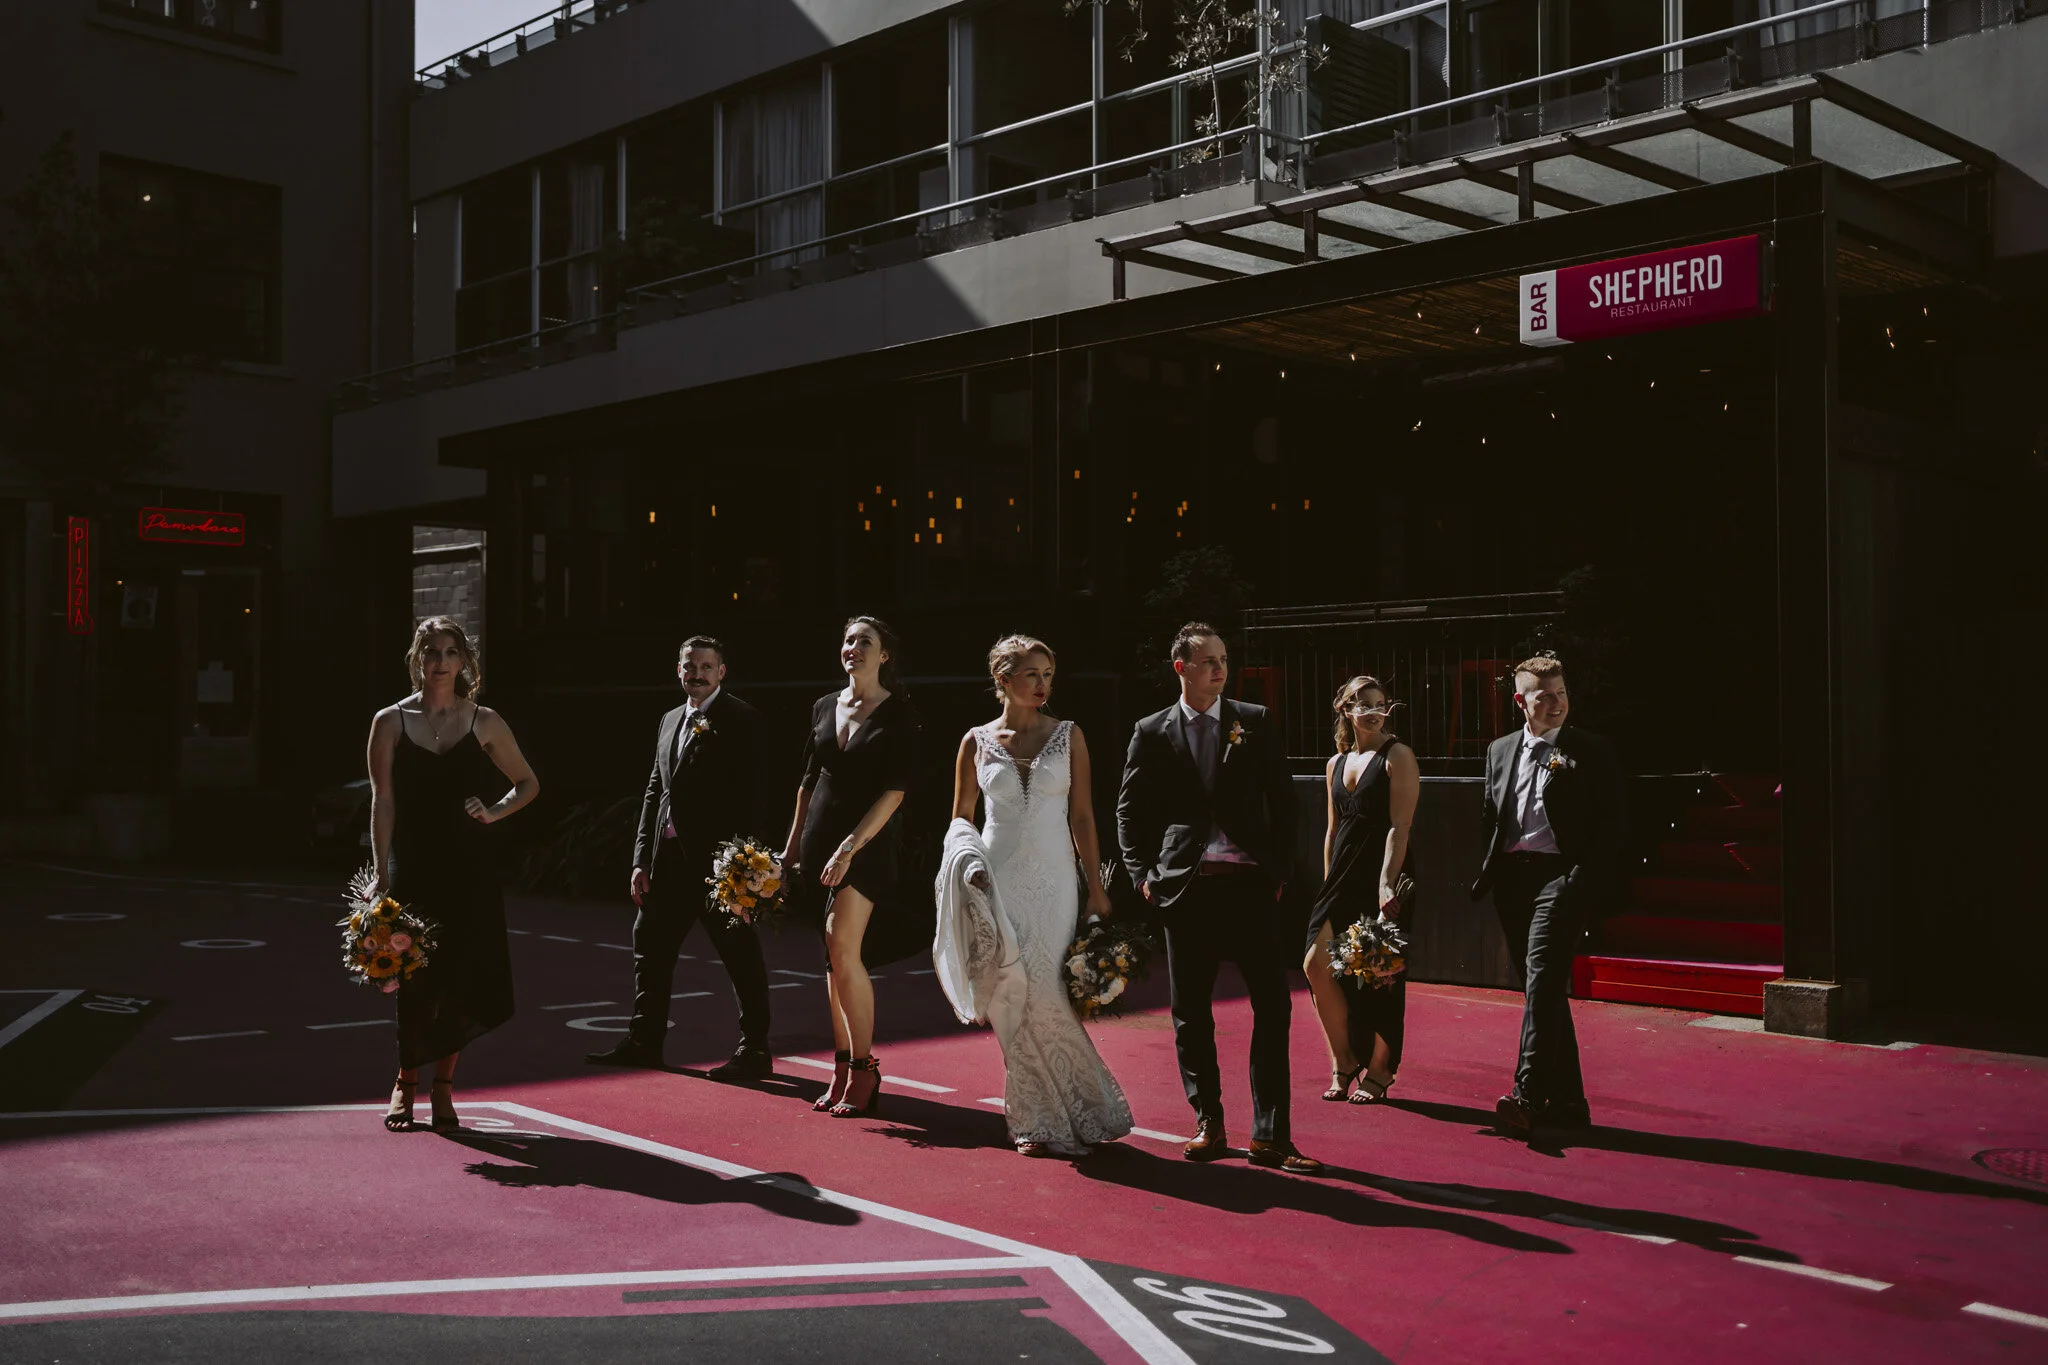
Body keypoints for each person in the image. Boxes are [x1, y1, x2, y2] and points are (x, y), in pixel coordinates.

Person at [1116, 622, 1319, 1174]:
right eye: (1208, 661)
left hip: (1251, 884)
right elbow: (1129, 809)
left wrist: (1280, 868)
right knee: (1190, 1014)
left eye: (1223, 660)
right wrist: (1142, 874)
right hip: (1187, 887)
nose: (1220, 669)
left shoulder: (1253, 721)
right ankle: (1209, 1121)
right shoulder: (1152, 730)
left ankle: (1271, 1135)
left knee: (1274, 1008)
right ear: (1180, 668)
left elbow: (1284, 799)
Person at [937, 635, 1133, 1158]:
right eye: (1032, 674)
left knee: (1047, 990)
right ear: (1003, 679)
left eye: (1048, 674)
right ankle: (1035, 1118)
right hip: (995, 882)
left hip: (1054, 884)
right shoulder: (975, 741)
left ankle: (1087, 1109)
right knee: (1009, 993)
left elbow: (1084, 816)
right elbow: (962, 816)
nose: (1043, 684)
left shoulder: (1070, 736)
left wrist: (1096, 888)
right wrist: (968, 861)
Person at [365, 616, 538, 1133]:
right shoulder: (389, 722)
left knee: (461, 978)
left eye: (448, 652)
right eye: (429, 651)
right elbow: (383, 800)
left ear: (464, 661)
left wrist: (494, 810)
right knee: (414, 979)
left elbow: (527, 783)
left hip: (470, 866)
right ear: (417, 658)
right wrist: (379, 872)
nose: (438, 661)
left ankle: (444, 1088)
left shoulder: (484, 720)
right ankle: (406, 1082)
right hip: (414, 863)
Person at [588, 636, 773, 1077]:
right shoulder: (670, 719)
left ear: (721, 672)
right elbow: (656, 791)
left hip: (719, 869)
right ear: (679, 670)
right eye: (690, 666)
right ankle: (643, 1041)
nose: (698, 673)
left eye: (707, 666)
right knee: (648, 948)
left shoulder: (742, 719)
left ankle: (755, 1051)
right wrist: (640, 860)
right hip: (667, 863)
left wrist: (745, 870)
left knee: (740, 956)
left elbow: (756, 796)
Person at [1470, 655, 1625, 1138]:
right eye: (1544, 695)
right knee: (1545, 991)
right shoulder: (1499, 750)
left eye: (1561, 693)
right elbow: (1492, 815)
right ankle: (1572, 1107)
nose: (1556, 703)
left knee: (1541, 979)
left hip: (1562, 878)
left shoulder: (1591, 751)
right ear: (1521, 702)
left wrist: (1580, 880)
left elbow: (1613, 825)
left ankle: (1528, 1093)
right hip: (1513, 881)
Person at [780, 616, 923, 1118]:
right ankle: (841, 1065)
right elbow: (807, 781)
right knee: (832, 958)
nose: (853, 648)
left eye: (865, 641)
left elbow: (896, 791)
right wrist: (790, 849)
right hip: (819, 844)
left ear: (884, 655)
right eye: (847, 640)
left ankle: (865, 1067)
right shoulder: (824, 705)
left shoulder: (899, 713)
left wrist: (850, 847)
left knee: (842, 944)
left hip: (867, 845)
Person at [1303, 676, 1419, 1105]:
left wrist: (1386, 882)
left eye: (1380, 703)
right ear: (1345, 709)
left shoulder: (1398, 755)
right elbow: (1333, 831)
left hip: (1384, 878)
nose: (1373, 710)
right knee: (1316, 965)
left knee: (1380, 975)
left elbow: (1400, 827)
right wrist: (1328, 884)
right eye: (1363, 703)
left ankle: (1382, 1069)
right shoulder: (1335, 763)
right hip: (1341, 880)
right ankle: (1344, 1060)